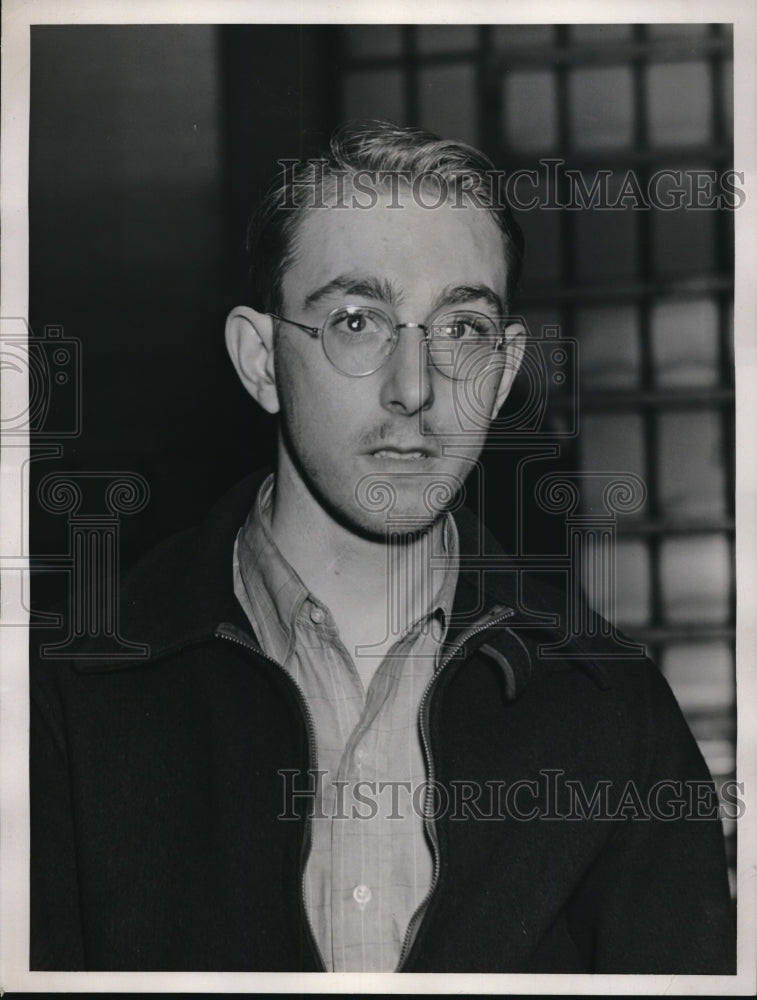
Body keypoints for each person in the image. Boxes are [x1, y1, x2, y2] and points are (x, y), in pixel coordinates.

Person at [30, 121, 735, 973]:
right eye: (357, 321)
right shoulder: (70, 697)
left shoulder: (614, 717)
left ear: (505, 372)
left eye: (462, 329)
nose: (414, 388)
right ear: (260, 361)